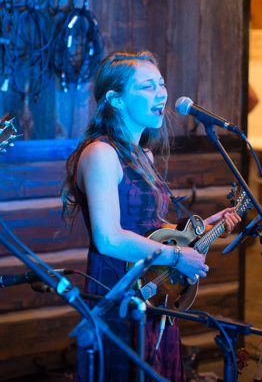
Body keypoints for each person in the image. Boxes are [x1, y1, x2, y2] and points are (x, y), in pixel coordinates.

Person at [61, 50, 241, 382]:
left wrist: (201, 230)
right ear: (115, 100)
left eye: (161, 84)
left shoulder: (144, 155)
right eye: (146, 87)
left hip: (154, 294)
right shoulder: (101, 153)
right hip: (118, 290)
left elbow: (150, 228)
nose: (161, 94)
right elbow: (109, 238)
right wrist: (176, 257)